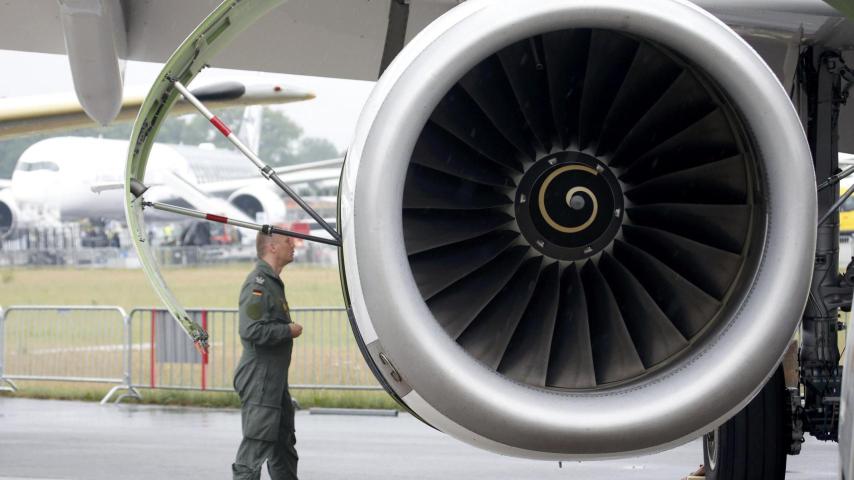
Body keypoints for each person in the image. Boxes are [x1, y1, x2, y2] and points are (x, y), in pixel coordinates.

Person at [232, 231, 304, 480]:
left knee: (283, 446)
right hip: (260, 380)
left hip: (274, 381)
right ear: (272, 247)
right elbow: (251, 330)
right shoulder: (259, 284)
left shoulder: (272, 282)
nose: (293, 245)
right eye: (287, 241)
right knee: (255, 450)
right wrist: (287, 330)